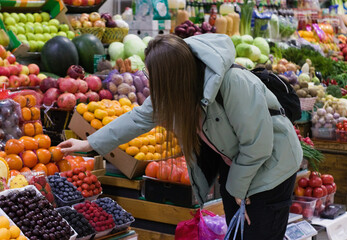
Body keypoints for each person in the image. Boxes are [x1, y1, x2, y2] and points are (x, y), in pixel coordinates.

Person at [59, 34, 302, 239]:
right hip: (237, 162)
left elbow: (257, 145)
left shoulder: (234, 83)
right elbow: (138, 119)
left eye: (150, 73)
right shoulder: (178, 89)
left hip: (272, 165)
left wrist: (239, 189)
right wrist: (89, 142)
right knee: (239, 233)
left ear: (171, 75)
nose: (148, 78)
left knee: (259, 232)